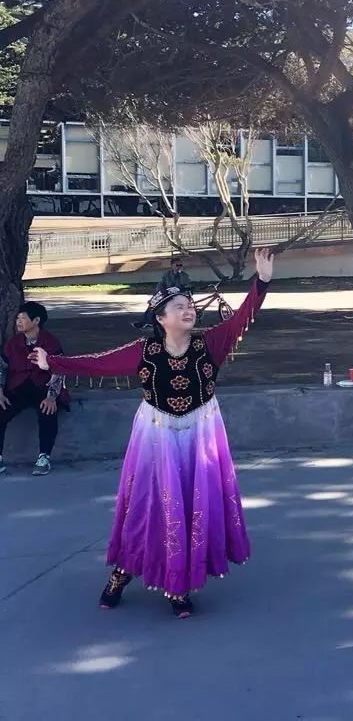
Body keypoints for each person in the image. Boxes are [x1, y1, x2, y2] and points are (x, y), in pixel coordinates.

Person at [30, 248, 274, 618]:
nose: (188, 309)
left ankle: (180, 584)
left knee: (192, 505)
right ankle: (123, 572)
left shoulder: (210, 344)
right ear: (161, 318)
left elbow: (243, 317)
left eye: (190, 304)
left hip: (201, 432)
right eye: (178, 306)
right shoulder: (144, 351)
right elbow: (97, 364)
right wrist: (54, 363)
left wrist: (263, 282)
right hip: (156, 434)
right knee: (148, 504)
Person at [0, 302, 69, 476]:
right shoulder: (13, 343)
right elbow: (2, 367)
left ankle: (44, 457)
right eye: (17, 318)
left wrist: (52, 396)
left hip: (43, 388)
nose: (18, 322)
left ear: (36, 320)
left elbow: (59, 370)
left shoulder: (50, 342)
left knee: (48, 411)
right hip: (18, 388)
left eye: (22, 318)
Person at [132, 257, 193, 330]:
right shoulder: (167, 275)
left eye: (180, 265)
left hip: (179, 295)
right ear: (172, 265)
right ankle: (145, 322)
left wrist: (180, 277)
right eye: (177, 265)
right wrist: (156, 295)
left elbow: (187, 285)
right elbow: (160, 285)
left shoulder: (184, 275)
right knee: (153, 303)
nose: (179, 267)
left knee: (161, 304)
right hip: (167, 294)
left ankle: (150, 322)